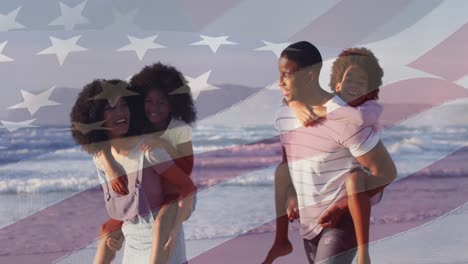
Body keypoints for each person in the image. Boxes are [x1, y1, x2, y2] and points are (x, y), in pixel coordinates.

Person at [264, 42, 396, 264]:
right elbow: (290, 162)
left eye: (286, 75)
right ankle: (281, 241)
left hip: (342, 224)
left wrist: (342, 204)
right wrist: (291, 194)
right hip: (309, 224)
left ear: (309, 75)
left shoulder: (345, 118)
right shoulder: (284, 114)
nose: (279, 82)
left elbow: (385, 172)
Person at [70, 79, 196, 264]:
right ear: (95, 117)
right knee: (105, 234)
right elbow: (122, 207)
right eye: (110, 108)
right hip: (133, 244)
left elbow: (186, 188)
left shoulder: (149, 152)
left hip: (163, 244)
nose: (120, 113)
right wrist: (119, 231)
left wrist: (175, 226)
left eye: (124, 105)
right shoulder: (100, 158)